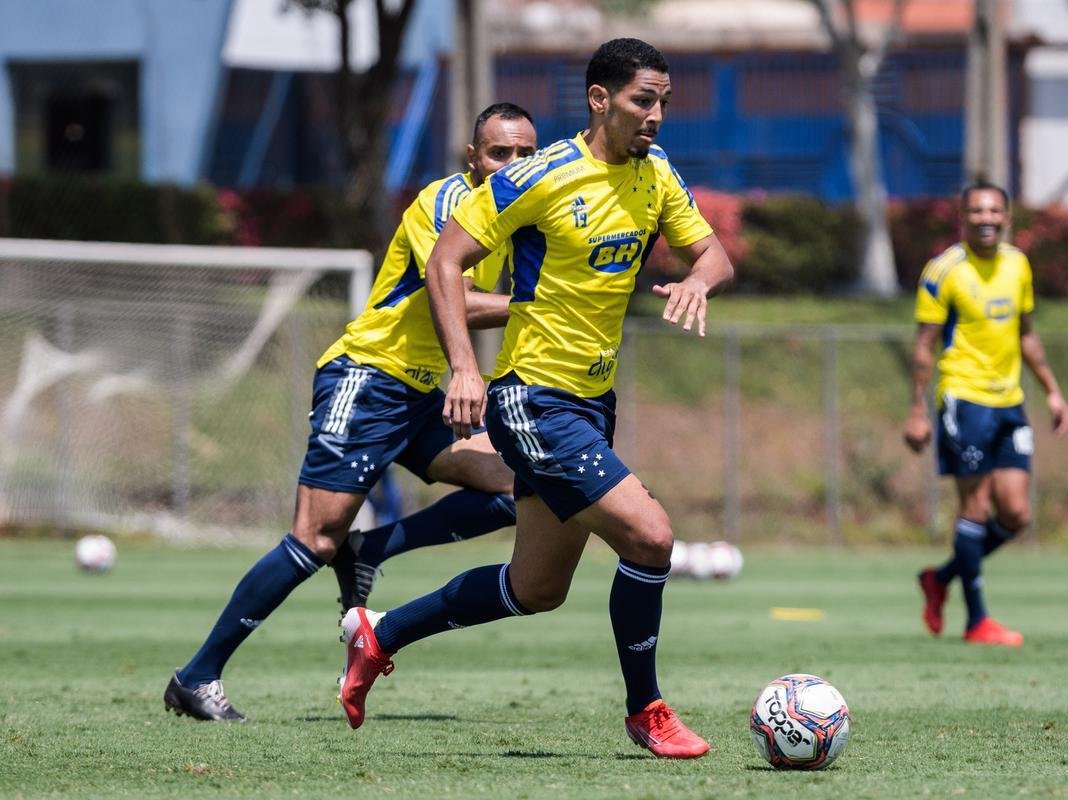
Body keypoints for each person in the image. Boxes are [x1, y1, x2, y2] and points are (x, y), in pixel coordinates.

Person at [335, 38, 734, 759]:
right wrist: (464, 368)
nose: (656, 117)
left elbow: (714, 252)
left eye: (664, 103)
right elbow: (446, 261)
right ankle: (647, 709)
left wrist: (701, 278)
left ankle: (379, 634)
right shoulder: (541, 176)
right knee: (650, 536)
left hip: (592, 402)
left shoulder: (657, 173)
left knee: (536, 587)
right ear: (599, 99)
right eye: (645, 100)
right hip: (531, 400)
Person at [164, 103, 538, 721]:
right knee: (314, 538)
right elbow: (460, 298)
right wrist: (540, 304)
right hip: (367, 378)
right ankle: (197, 676)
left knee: (516, 486)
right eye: (501, 153)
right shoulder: (443, 205)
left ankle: (373, 550)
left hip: (420, 393)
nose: (514, 164)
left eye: (526, 153)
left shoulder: (519, 219)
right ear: (473, 158)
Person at [903, 180, 1068, 647]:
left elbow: (1027, 334)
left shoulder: (1018, 264)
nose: (986, 218)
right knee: (974, 508)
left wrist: (1053, 392)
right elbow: (923, 345)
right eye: (976, 211)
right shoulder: (944, 271)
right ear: (963, 217)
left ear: (1007, 217)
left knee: (1016, 514)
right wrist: (917, 410)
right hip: (964, 398)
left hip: (1010, 402)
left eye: (994, 210)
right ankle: (977, 621)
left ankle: (940, 578)